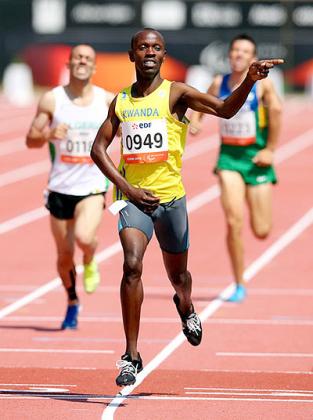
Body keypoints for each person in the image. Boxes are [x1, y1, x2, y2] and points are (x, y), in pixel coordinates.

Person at [90, 28, 283, 387]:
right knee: (132, 265)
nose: (149, 52)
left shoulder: (176, 93)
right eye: (143, 47)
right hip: (133, 201)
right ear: (132, 56)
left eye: (156, 47)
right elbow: (98, 149)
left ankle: (186, 305)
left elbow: (225, 109)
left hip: (171, 201)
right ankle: (131, 356)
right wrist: (127, 188)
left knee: (179, 278)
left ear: (164, 56)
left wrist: (249, 82)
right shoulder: (120, 102)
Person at [26, 44, 114, 329]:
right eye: (78, 58)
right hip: (60, 188)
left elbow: (129, 129)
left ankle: (89, 258)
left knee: (85, 238)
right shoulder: (53, 100)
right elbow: (31, 139)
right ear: (70, 63)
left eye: (88, 58)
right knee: (64, 255)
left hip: (92, 185)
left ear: (94, 66)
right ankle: (72, 301)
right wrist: (48, 134)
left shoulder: (106, 100)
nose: (82, 62)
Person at [190, 34, 282, 302]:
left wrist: (270, 150)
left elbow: (276, 112)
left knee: (261, 229)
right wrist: (196, 121)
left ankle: (255, 199)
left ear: (252, 57)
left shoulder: (262, 87)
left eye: (246, 51)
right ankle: (239, 283)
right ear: (229, 55)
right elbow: (200, 101)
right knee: (233, 221)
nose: (239, 55)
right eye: (236, 51)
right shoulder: (219, 82)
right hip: (228, 159)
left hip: (256, 160)